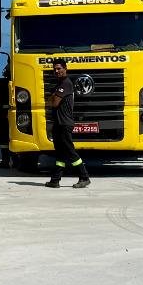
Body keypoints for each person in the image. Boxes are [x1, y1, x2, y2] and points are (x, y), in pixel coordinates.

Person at [46, 58, 89, 189]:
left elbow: (53, 103)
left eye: (59, 68)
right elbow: (50, 101)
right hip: (58, 123)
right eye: (54, 69)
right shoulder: (59, 84)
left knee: (70, 151)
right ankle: (55, 180)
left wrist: (53, 97)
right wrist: (53, 97)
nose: (56, 71)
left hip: (64, 123)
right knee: (60, 153)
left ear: (65, 68)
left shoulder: (66, 83)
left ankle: (84, 177)